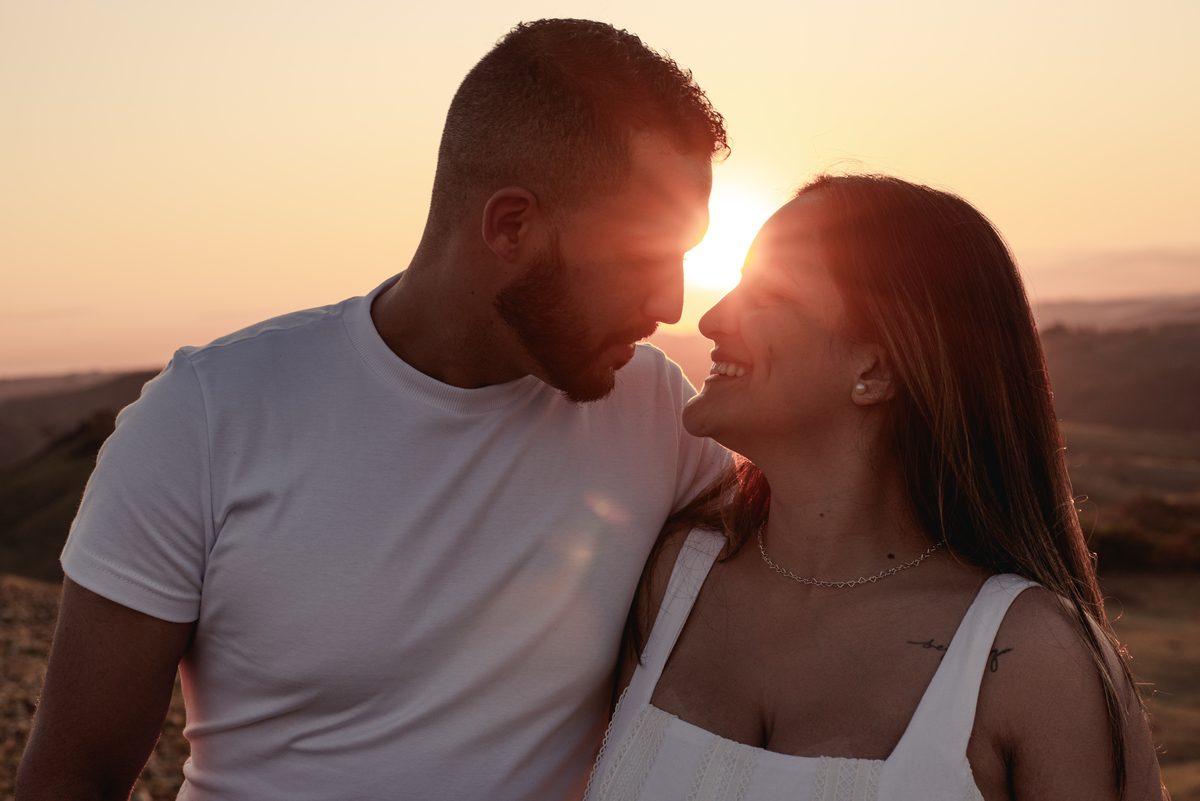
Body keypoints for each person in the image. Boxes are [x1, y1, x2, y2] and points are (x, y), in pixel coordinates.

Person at [17, 19, 730, 801]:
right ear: (510, 225)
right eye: (643, 260)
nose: (669, 303)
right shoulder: (208, 417)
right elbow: (72, 777)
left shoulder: (662, 415)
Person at [587, 174, 1165, 800]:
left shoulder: (1034, 658)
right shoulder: (672, 580)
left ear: (875, 368)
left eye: (768, 293)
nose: (712, 317)